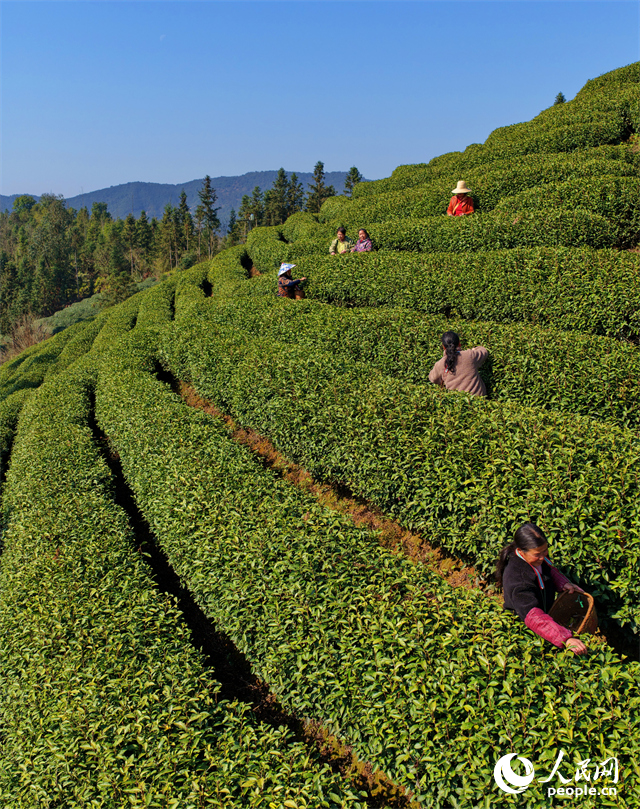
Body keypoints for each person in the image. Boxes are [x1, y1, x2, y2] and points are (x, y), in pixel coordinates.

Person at [496, 522, 588, 655]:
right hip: (525, 628)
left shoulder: (536, 556)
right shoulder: (517, 578)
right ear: (521, 551)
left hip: (546, 619)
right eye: (538, 554)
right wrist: (565, 638)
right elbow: (533, 616)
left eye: (545, 551)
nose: (543, 557)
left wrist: (563, 584)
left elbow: (548, 570)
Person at [428, 331, 488, 396]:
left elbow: (432, 378)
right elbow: (484, 351)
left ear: (444, 347)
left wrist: (442, 380)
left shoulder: (441, 363)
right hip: (478, 400)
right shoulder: (469, 355)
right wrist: (475, 349)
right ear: (459, 343)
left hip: (456, 401)